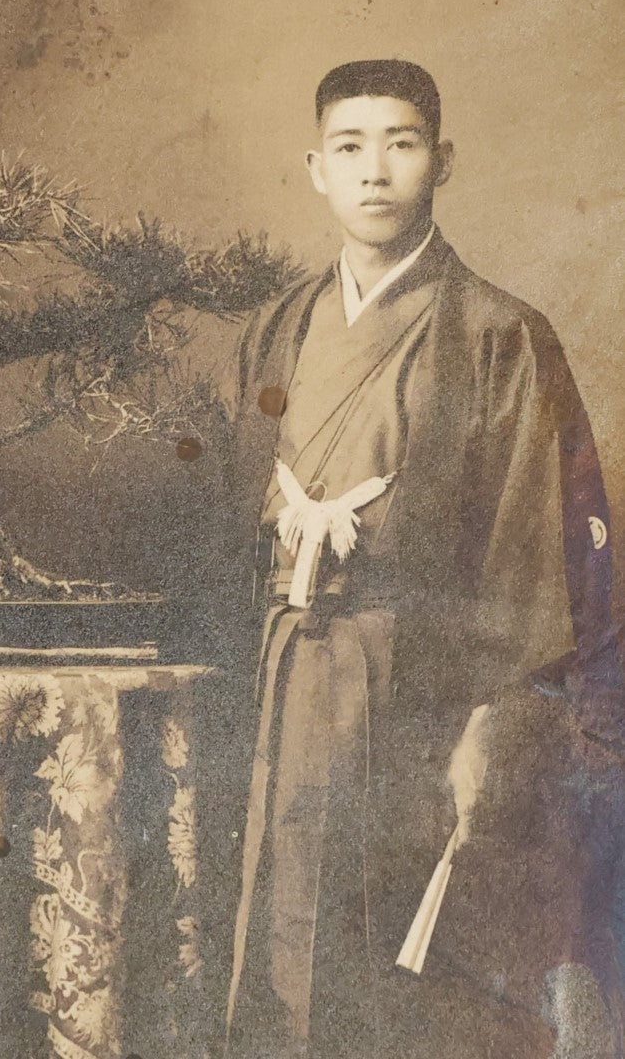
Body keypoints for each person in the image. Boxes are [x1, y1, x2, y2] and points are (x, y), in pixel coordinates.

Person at [217, 60, 624, 1058]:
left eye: (400, 144)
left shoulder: (500, 335)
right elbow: (221, 533)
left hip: (425, 693)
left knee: (410, 964)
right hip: (285, 678)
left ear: (441, 160)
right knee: (276, 936)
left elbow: (544, 555)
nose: (374, 172)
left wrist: (493, 723)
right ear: (315, 168)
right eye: (349, 148)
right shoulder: (271, 332)